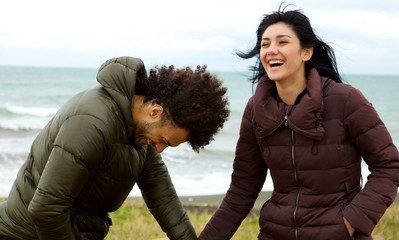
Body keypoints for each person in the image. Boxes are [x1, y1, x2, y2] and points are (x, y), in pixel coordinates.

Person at [199, 4, 399, 240]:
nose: (271, 50)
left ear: (307, 52)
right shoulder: (256, 108)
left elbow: (389, 166)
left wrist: (349, 223)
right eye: (265, 44)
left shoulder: (345, 99)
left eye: (282, 42)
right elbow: (243, 187)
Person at [0, 56, 230, 240]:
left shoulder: (138, 128)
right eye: (164, 141)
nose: (159, 149)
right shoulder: (92, 124)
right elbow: (46, 209)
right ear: (155, 112)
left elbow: (162, 194)